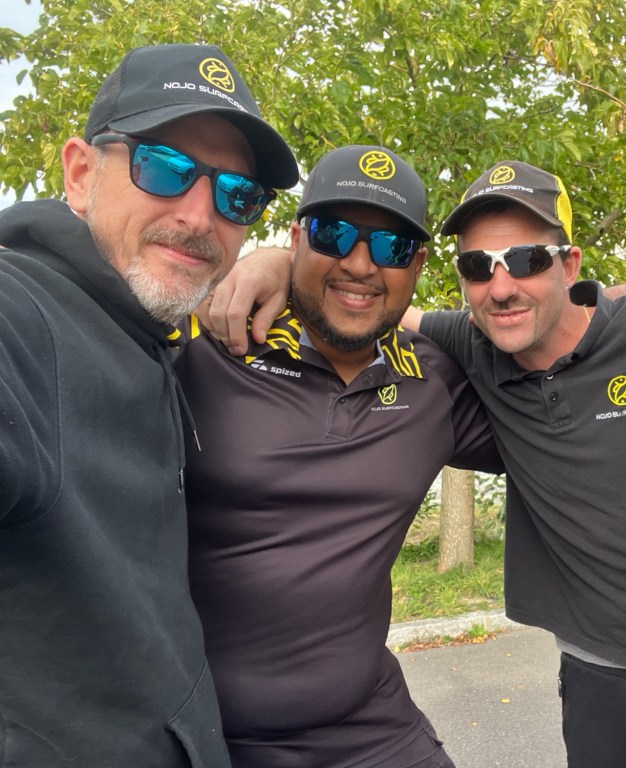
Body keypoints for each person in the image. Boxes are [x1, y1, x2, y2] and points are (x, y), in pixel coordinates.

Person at [206, 161, 626, 766]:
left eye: (528, 260)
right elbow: (367, 303)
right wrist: (278, 263)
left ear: (569, 265)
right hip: (594, 681)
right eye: (477, 267)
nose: (502, 286)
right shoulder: (467, 348)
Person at [0, 43, 297, 766]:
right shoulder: (26, 317)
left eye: (237, 197)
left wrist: (286, 261)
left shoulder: (149, 330)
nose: (199, 216)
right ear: (81, 174)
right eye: (163, 167)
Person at [175, 145, 501, 768]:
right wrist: (259, 263)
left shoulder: (434, 381)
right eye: (334, 234)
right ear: (297, 237)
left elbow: (557, 379)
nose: (360, 264)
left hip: (372, 732)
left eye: (392, 247)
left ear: (418, 265)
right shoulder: (206, 340)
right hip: (204, 739)